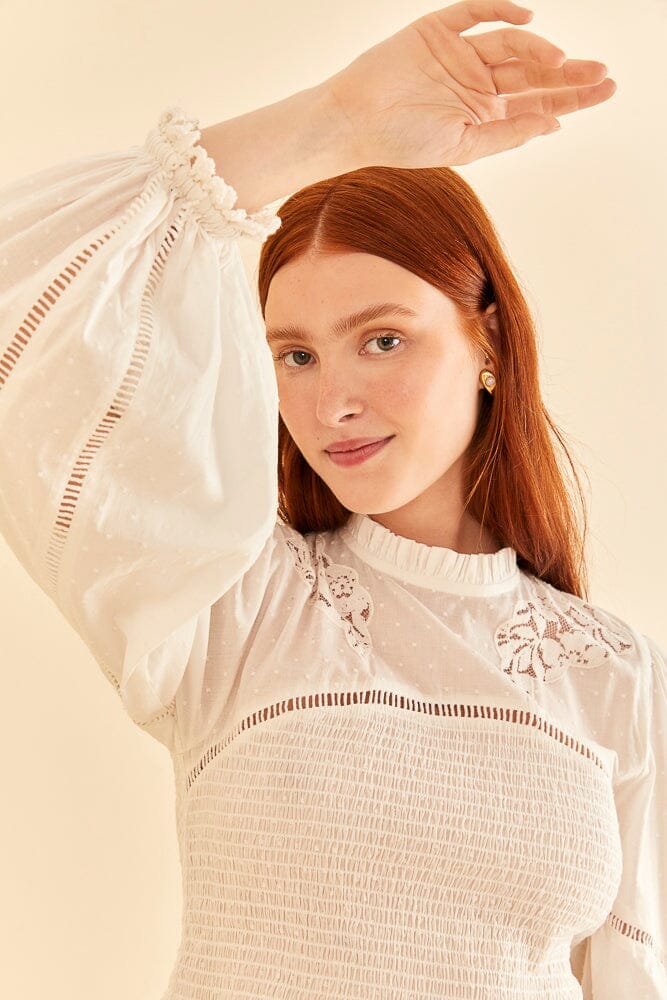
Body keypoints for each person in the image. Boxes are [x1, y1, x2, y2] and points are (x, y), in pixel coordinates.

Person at [0, 1, 664, 997]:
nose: (333, 402)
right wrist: (335, 122)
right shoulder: (232, 598)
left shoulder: (612, 672)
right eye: (295, 355)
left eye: (382, 340)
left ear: (487, 340)